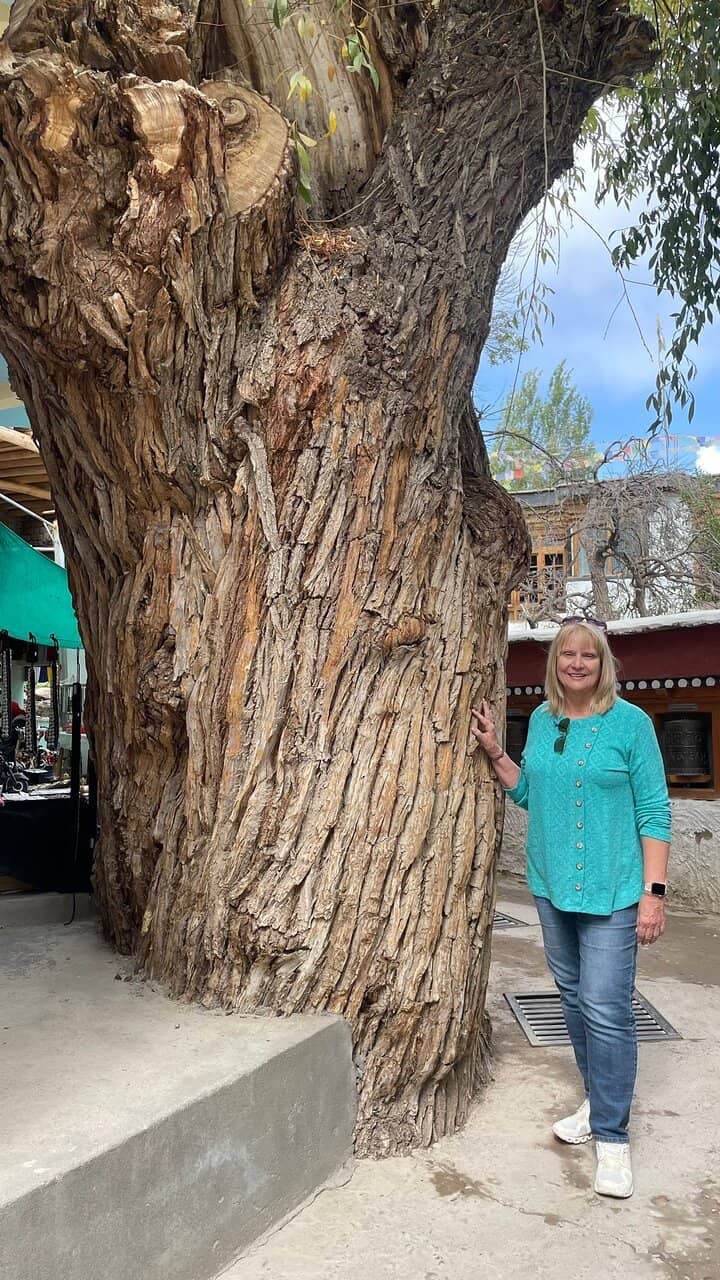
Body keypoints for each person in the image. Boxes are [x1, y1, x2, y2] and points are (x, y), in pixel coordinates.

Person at [471, 617, 670, 1199]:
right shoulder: (541, 719)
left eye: (588, 655)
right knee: (576, 999)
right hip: (553, 886)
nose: (577, 664)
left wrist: (652, 896)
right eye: (567, 655)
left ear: (603, 662)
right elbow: (531, 790)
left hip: (613, 889)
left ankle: (612, 1136)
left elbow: (654, 813)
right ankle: (596, 1098)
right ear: (555, 663)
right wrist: (494, 752)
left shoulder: (631, 724)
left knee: (608, 1008)